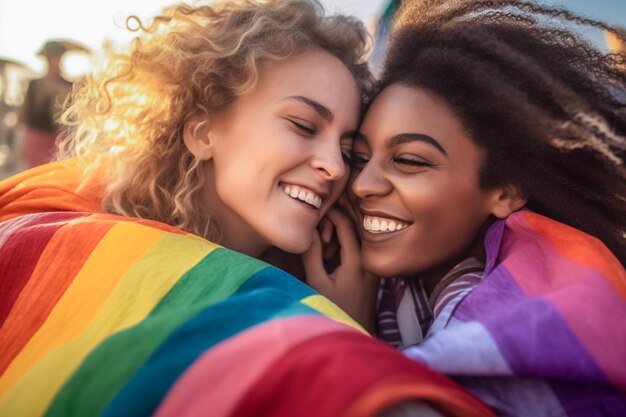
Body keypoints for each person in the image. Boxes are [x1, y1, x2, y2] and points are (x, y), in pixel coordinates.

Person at [0, 1, 496, 416]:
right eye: (304, 126)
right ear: (201, 130)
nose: (335, 168)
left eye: (347, 148)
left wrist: (349, 320)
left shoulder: (357, 281)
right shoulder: (70, 232)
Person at [304, 0, 626, 415]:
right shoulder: (365, 271)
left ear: (505, 192)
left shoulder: (534, 321)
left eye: (410, 161)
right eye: (360, 158)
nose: (362, 185)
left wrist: (349, 330)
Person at [18, 41, 73, 169]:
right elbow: (24, 114)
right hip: (35, 136)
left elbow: (71, 116)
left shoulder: (67, 85)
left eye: (57, 56)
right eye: (51, 57)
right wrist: (20, 141)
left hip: (58, 139)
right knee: (34, 173)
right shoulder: (34, 84)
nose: (54, 60)